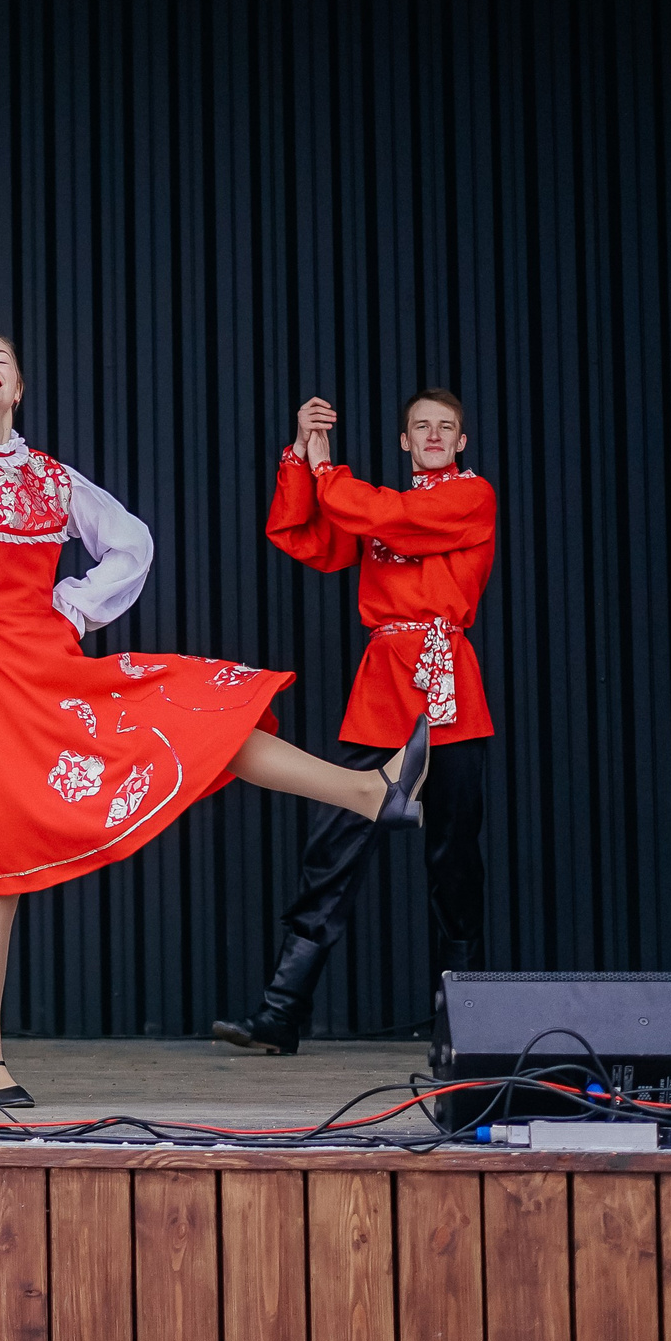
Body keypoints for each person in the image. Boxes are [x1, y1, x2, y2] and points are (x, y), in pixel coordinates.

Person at [0, 331, 430, 1109]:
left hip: (53, 664)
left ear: (18, 387)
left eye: (1, 359)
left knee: (195, 716)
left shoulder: (52, 480)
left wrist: (72, 603)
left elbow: (130, 543)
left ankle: (368, 791)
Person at [212, 389, 498, 1054]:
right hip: (383, 690)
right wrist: (302, 457)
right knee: (332, 851)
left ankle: (465, 1025)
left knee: (455, 862)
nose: (432, 435)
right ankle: (281, 1012)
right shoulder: (380, 510)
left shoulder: (469, 495)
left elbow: (377, 511)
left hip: (447, 689)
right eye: (420, 426)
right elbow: (307, 537)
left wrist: (325, 467)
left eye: (445, 427)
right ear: (404, 440)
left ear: (460, 441)